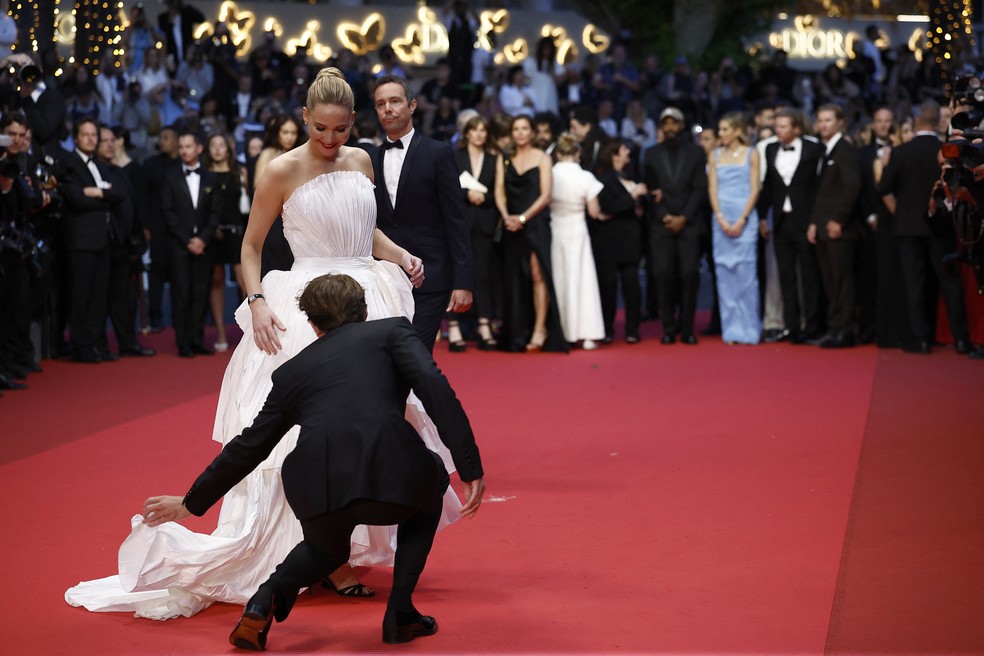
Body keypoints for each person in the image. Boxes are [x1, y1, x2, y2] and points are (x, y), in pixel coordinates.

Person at [65, 68, 455, 619]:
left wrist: (402, 254)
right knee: (295, 437)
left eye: (341, 130)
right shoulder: (280, 170)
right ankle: (321, 555)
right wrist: (256, 302)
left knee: (372, 422)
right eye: (320, 128)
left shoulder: (362, 160)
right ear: (303, 118)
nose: (330, 140)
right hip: (303, 304)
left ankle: (341, 544)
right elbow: (251, 247)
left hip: (370, 296)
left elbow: (364, 230)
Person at [141, 273, 485, 650]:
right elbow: (436, 390)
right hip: (391, 473)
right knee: (433, 479)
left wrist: (191, 503)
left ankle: (263, 598)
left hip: (314, 482)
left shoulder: (292, 372)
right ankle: (400, 612)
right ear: (365, 310)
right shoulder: (392, 332)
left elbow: (250, 446)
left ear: (312, 324)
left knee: (326, 550)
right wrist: (469, 468)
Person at [372, 75, 473, 352]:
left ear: (412, 105)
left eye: (394, 101)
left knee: (414, 355)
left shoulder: (438, 153)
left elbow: (456, 221)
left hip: (430, 277)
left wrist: (462, 282)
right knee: (388, 358)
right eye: (381, 104)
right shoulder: (370, 158)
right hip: (384, 277)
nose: (387, 109)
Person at [879, 100, 973, 355]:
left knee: (914, 283)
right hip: (941, 226)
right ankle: (962, 340)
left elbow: (884, 188)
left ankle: (921, 339)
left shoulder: (901, 152)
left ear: (917, 121)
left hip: (908, 228)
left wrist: (900, 213)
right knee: (950, 284)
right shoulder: (948, 149)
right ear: (937, 123)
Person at [494, 114, 567, 352]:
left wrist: (523, 218)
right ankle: (516, 331)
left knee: (537, 275)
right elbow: (499, 191)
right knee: (514, 278)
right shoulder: (504, 158)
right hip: (510, 223)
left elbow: (546, 195)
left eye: (525, 128)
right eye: (516, 128)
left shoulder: (544, 158)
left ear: (533, 132)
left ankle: (540, 328)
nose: (520, 133)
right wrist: (507, 217)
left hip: (535, 223)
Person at [60, 118, 125, 363]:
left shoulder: (101, 163)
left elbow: (119, 193)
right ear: (76, 138)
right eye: (85, 135)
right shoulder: (69, 163)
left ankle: (97, 344)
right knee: (81, 295)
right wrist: (104, 196)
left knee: (99, 296)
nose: (90, 139)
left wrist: (98, 192)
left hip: (103, 239)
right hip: (81, 241)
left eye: (93, 135)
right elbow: (76, 199)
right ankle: (81, 346)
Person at [758, 109, 825, 344]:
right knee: (785, 275)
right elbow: (768, 185)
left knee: (809, 275)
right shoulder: (770, 149)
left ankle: (812, 326)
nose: (778, 130)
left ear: (796, 128)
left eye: (783, 126)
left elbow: (818, 187)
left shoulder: (813, 149)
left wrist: (815, 220)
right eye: (777, 126)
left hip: (804, 220)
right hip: (780, 220)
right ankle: (791, 326)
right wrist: (762, 217)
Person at [642, 107, 707, 344]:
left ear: (682, 126)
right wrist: (664, 216)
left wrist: (684, 217)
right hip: (661, 225)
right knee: (662, 275)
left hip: (689, 224)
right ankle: (668, 328)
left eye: (674, 123)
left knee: (690, 275)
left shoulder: (697, 153)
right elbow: (648, 190)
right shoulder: (650, 154)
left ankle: (688, 328)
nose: (670, 128)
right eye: (666, 124)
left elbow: (700, 188)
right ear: (661, 127)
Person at [161, 130, 221, 357]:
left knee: (201, 293)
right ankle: (183, 342)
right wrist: (188, 240)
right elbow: (167, 213)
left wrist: (203, 239)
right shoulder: (170, 176)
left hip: (205, 246)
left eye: (188, 146)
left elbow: (215, 213)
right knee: (181, 294)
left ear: (199, 148)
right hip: (180, 246)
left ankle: (197, 340)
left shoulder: (210, 178)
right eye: (181, 147)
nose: (184, 150)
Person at [808, 104, 861, 349]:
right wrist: (813, 223)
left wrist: (838, 220)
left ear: (840, 122)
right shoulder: (826, 150)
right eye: (820, 120)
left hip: (839, 228)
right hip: (823, 226)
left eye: (828, 120)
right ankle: (835, 327)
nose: (823, 125)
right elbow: (821, 194)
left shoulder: (845, 150)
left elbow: (852, 188)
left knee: (842, 281)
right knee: (830, 280)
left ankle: (845, 330)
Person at [707, 112, 762, 345]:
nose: (721, 134)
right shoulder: (715, 155)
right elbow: (712, 188)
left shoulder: (752, 154)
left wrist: (742, 218)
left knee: (746, 274)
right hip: (721, 217)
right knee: (724, 274)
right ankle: (731, 329)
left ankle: (750, 328)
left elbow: (755, 188)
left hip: (745, 217)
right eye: (720, 130)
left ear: (737, 131)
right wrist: (720, 216)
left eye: (725, 130)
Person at [549, 133, 605, 349]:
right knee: (583, 278)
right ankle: (588, 334)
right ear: (577, 153)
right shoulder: (585, 177)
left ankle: (562, 331)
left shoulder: (550, 174)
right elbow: (594, 211)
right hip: (577, 229)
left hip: (556, 228)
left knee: (559, 278)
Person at [450, 115, 502, 352]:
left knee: (483, 274)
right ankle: (454, 326)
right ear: (467, 133)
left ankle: (484, 324)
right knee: (457, 274)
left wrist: (484, 197)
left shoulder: (494, 158)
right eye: (475, 130)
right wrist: (466, 194)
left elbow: (500, 193)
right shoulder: (455, 156)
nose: (479, 134)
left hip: (485, 222)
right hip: (460, 222)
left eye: (483, 130)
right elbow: (447, 189)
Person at [594, 138, 647, 344]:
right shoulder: (604, 179)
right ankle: (606, 328)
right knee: (608, 285)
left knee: (632, 285)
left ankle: (633, 328)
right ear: (614, 154)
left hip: (631, 239)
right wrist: (632, 196)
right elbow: (607, 207)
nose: (628, 153)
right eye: (625, 150)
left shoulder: (632, 176)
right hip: (608, 240)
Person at [205, 132, 249, 352]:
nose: (218, 149)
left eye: (221, 145)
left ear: (228, 148)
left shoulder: (239, 172)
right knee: (216, 281)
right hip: (212, 236)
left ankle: (250, 332)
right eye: (213, 145)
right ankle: (221, 333)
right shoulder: (205, 175)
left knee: (245, 281)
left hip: (236, 232)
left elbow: (248, 205)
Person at [254, 114, 301, 275]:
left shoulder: (302, 154)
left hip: (300, 220)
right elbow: (259, 188)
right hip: (274, 219)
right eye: (285, 132)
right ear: (277, 133)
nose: (290, 137)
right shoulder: (268, 154)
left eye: (293, 133)